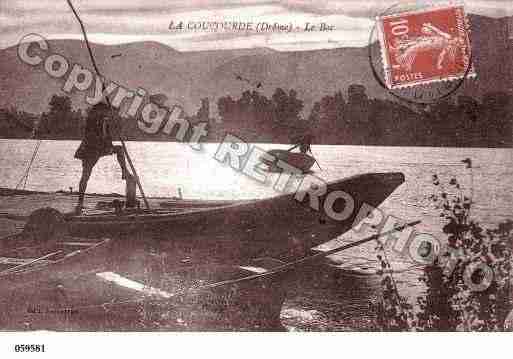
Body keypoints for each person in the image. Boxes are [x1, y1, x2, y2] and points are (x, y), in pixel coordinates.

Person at [74, 102, 130, 213]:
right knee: (85, 175)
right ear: (100, 111)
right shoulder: (93, 120)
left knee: (119, 149)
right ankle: (80, 201)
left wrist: (108, 145)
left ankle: (124, 171)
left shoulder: (104, 120)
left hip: (100, 148)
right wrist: (106, 145)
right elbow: (94, 136)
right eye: (107, 112)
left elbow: (107, 136)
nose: (109, 114)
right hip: (90, 150)